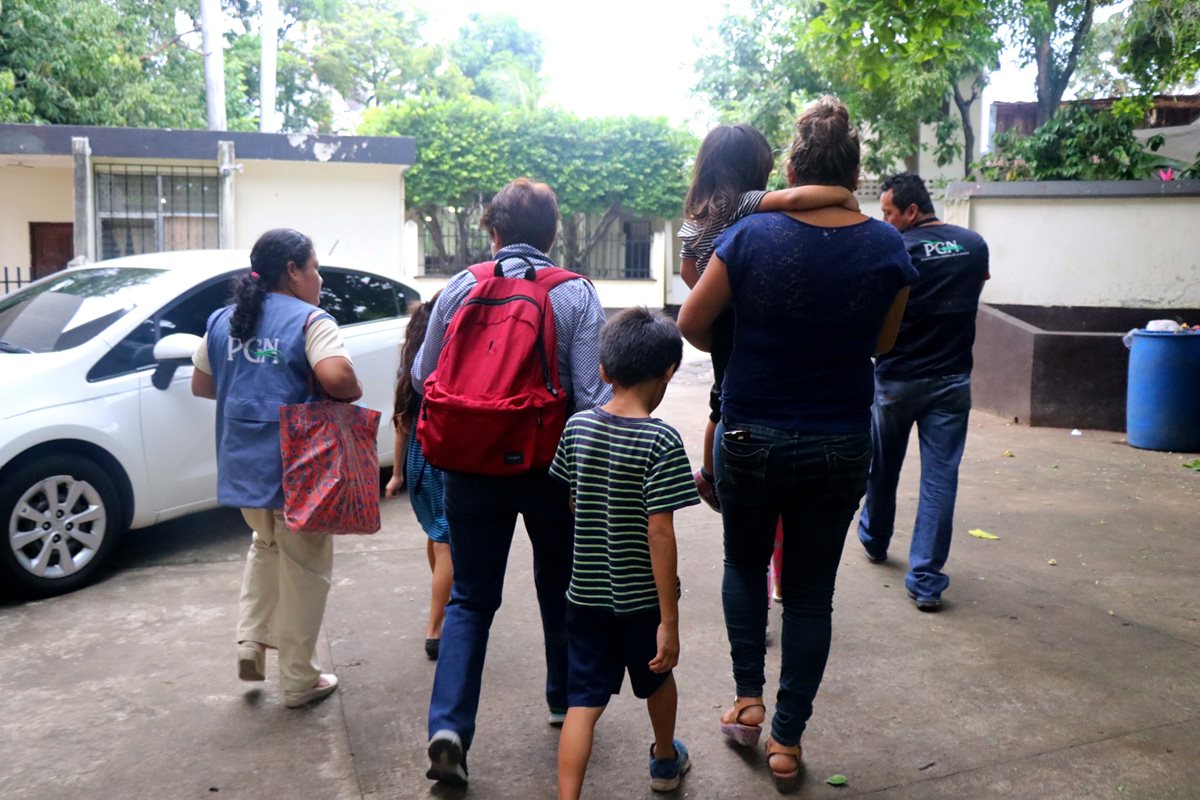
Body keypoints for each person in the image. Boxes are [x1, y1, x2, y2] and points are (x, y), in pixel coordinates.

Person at [677, 96, 917, 793]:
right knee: (810, 595)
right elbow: (881, 342)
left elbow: (693, 325)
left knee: (744, 565)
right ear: (857, 170)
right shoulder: (885, 246)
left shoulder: (750, 237)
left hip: (750, 431)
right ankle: (787, 738)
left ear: (792, 165)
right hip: (841, 439)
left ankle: (747, 703)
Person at [415, 178, 610, 787]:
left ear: (493, 233)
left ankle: (448, 726)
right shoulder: (575, 294)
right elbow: (592, 395)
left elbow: (425, 376)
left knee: (471, 598)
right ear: (553, 235)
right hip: (549, 467)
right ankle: (562, 699)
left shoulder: (461, 287)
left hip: (470, 465)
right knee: (560, 586)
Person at [191, 228, 363, 708]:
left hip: (244, 466)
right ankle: (299, 680)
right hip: (298, 469)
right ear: (292, 271)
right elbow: (337, 377)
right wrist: (349, 389)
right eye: (314, 267)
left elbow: (202, 385)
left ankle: (251, 640)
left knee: (265, 545)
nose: (320, 277)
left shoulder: (223, 320)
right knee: (306, 568)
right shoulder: (312, 321)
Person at [550, 308, 700, 798]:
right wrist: (669, 620)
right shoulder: (661, 440)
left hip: (585, 596)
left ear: (603, 371)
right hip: (641, 603)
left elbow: (572, 500)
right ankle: (663, 760)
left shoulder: (576, 427)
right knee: (658, 680)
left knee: (583, 703)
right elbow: (660, 533)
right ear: (669, 371)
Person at [679, 123, 861, 511]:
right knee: (727, 399)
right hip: (744, 314)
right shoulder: (744, 203)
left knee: (722, 399)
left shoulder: (697, 212)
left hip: (719, 318)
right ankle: (713, 476)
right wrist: (843, 194)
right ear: (755, 167)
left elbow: (687, 269)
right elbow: (795, 199)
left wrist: (709, 300)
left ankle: (710, 476)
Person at [857, 172, 990, 612]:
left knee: (882, 467)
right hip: (952, 381)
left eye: (890, 213)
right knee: (940, 480)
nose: (887, 221)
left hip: (896, 379)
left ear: (912, 211)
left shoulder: (896, 249)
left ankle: (875, 538)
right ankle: (927, 580)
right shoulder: (973, 245)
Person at [384, 291, 450, 659]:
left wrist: (396, 475)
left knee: (435, 534)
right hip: (441, 456)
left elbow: (401, 423)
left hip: (415, 458)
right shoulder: (445, 358)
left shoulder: (410, 359)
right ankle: (436, 628)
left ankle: (442, 604)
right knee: (449, 543)